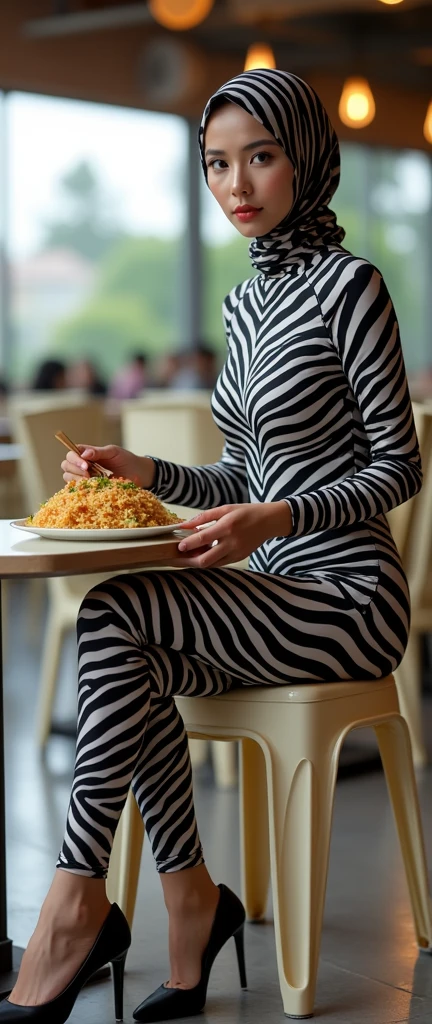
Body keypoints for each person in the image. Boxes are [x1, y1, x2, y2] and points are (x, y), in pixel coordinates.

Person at [1, 69, 421, 1024]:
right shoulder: (243, 305)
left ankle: (79, 907)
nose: (238, 185)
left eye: (261, 158)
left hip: (349, 602)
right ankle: (189, 900)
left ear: (306, 160)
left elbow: (400, 468)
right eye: (218, 163)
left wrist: (278, 519)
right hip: (273, 595)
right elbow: (239, 473)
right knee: (125, 635)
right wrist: (141, 470)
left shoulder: (352, 287)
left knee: (116, 611)